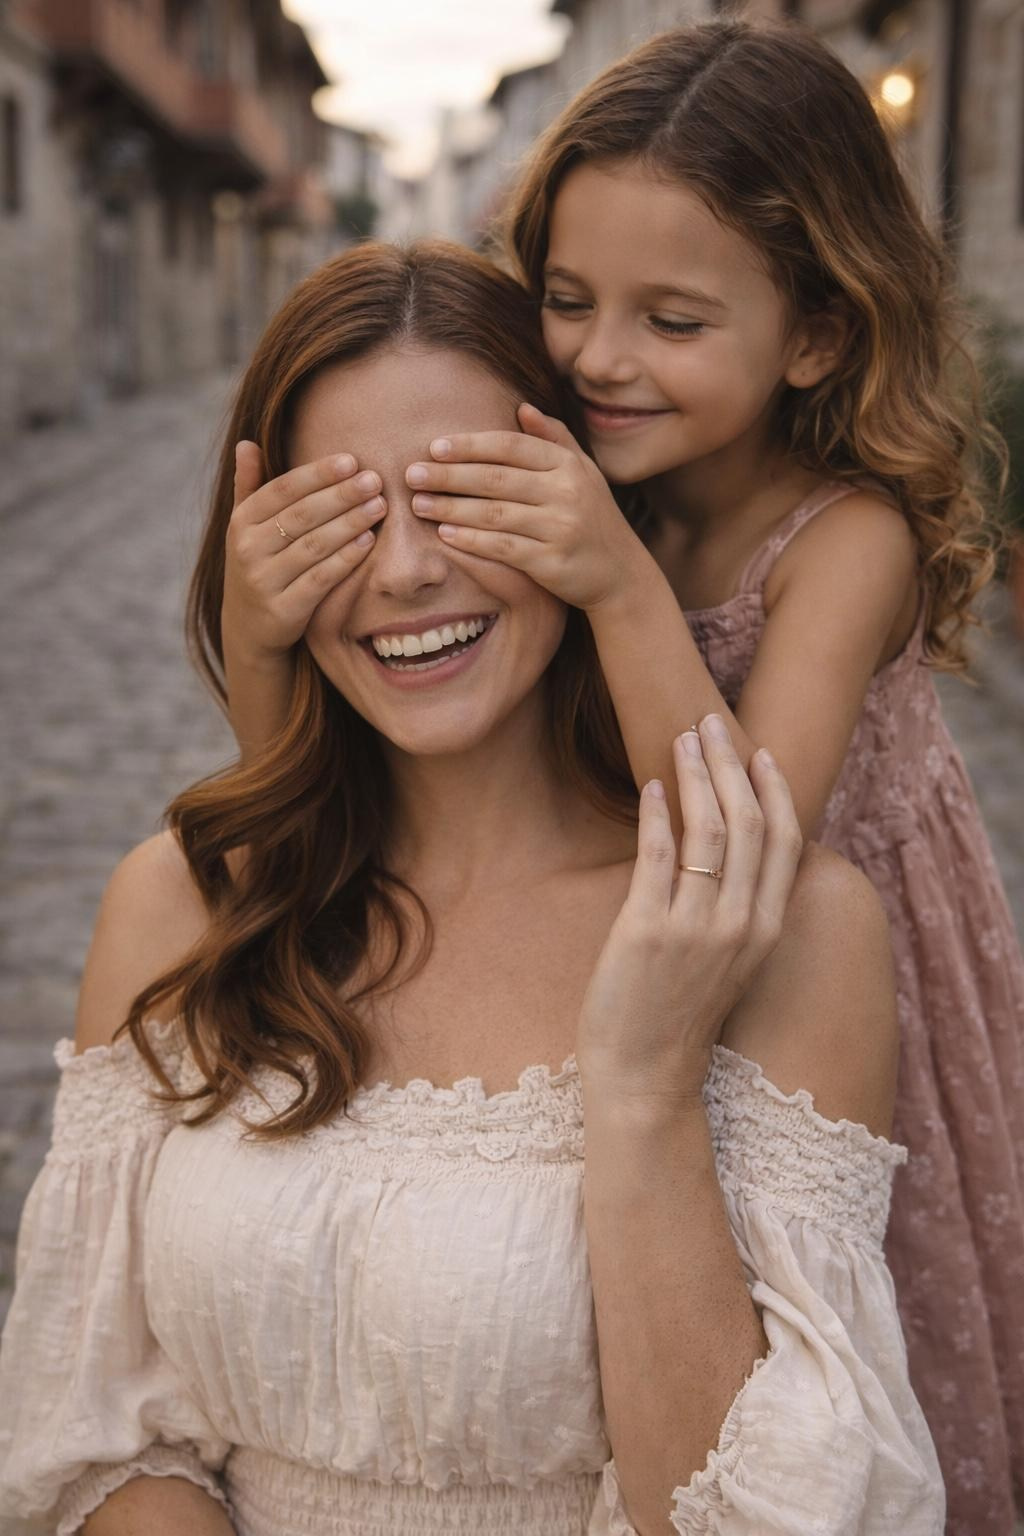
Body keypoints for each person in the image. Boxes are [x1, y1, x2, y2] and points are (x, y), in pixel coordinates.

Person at [0, 241, 942, 1536]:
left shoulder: (790, 940)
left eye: (464, 500)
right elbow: (98, 1430)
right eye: (339, 514)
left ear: (587, 508)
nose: (400, 574)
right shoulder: (179, 904)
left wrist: (644, 1087)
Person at [214, 21, 1021, 1532]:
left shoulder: (843, 540)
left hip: (821, 994)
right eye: (569, 300)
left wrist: (617, 588)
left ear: (819, 333)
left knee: (833, 1358)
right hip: (632, 967)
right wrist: (265, 626)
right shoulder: (603, 471)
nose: (597, 357)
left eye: (672, 319)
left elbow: (746, 848)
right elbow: (330, 745)